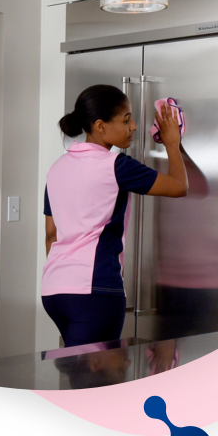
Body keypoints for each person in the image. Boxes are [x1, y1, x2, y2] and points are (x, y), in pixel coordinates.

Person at [41, 85, 187, 348]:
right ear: (100, 125)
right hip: (95, 290)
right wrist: (172, 143)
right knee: (100, 380)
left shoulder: (57, 168)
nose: (133, 127)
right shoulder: (116, 165)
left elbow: (51, 235)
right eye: (126, 119)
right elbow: (179, 186)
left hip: (54, 290)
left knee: (80, 375)